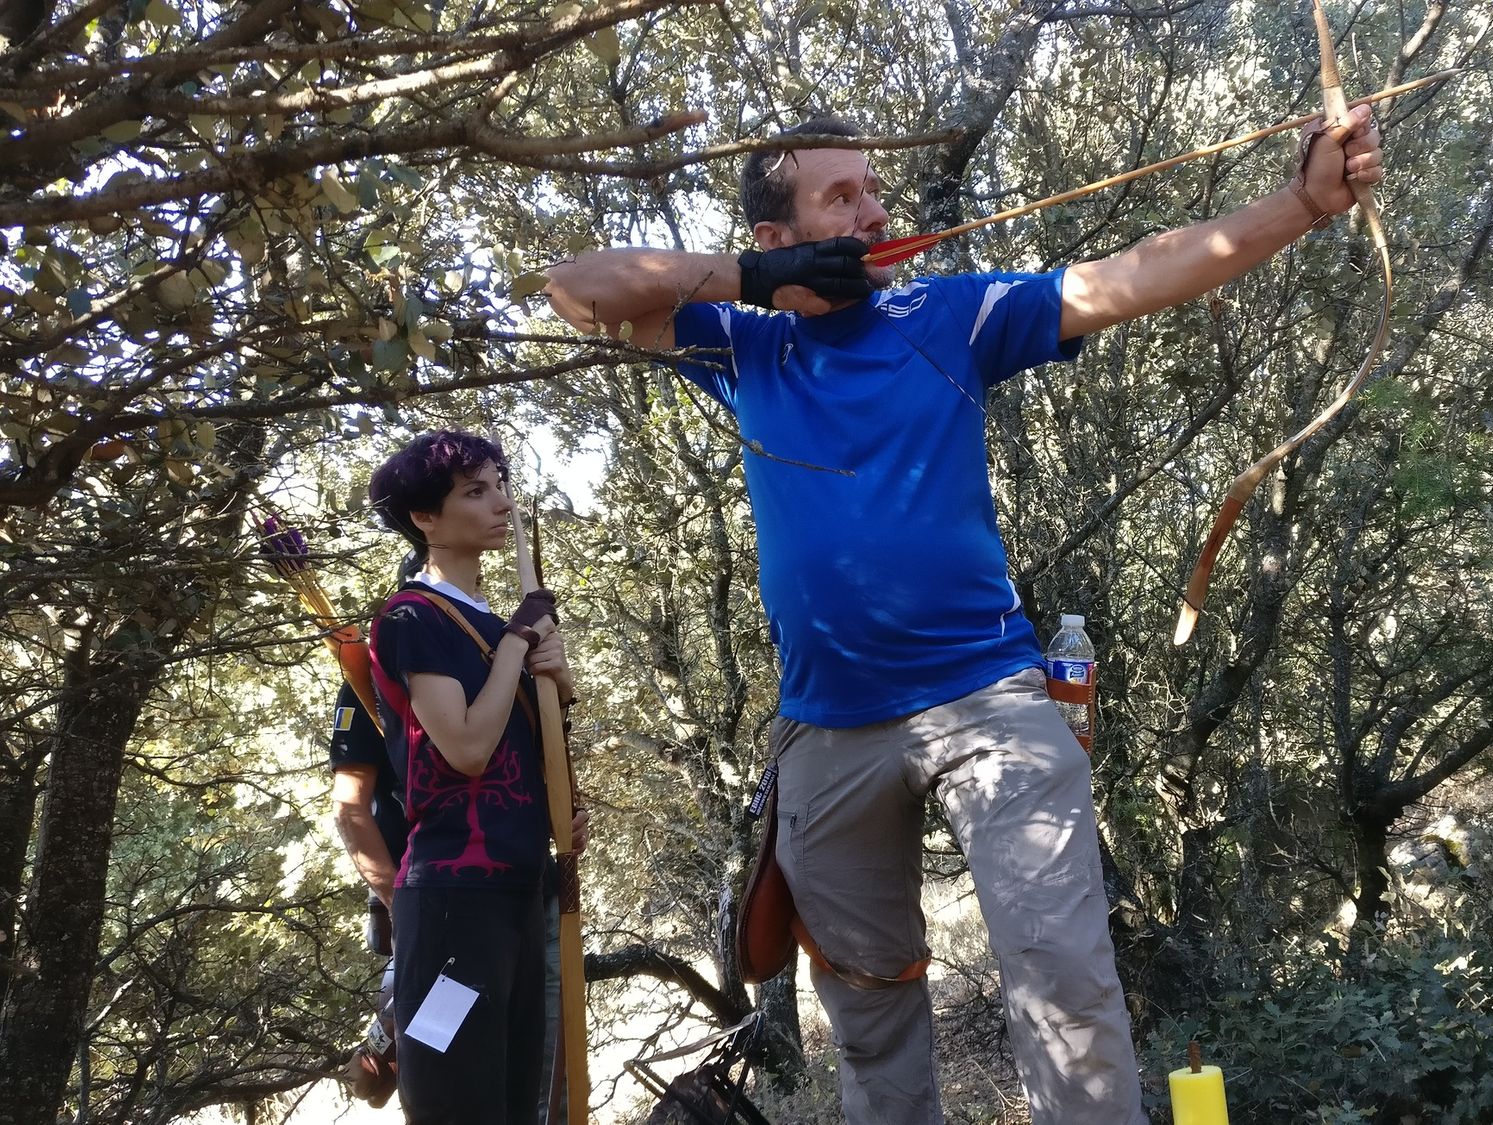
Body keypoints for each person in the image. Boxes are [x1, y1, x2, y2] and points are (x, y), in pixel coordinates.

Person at [544, 102, 1384, 1125]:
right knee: (868, 1017)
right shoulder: (743, 343)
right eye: (839, 196)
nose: (872, 212)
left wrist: (1302, 203)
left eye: (873, 190)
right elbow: (576, 290)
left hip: (986, 697)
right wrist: (754, 281)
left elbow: (1132, 274)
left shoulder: (947, 315)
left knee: (1063, 977)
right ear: (775, 233)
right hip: (825, 728)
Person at [366, 430, 579, 1125]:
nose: (502, 505)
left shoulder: (495, 622)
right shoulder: (412, 616)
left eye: (501, 485)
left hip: (521, 891)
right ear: (425, 518)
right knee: (454, 1102)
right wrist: (518, 641)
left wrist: (561, 808)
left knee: (517, 1103)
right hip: (452, 904)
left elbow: (533, 749)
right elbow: (465, 748)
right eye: (476, 491)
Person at [327, 679, 406, 1107]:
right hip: (422, 892)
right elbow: (349, 807)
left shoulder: (502, 659)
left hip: (521, 890)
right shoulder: (366, 681)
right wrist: (400, 901)